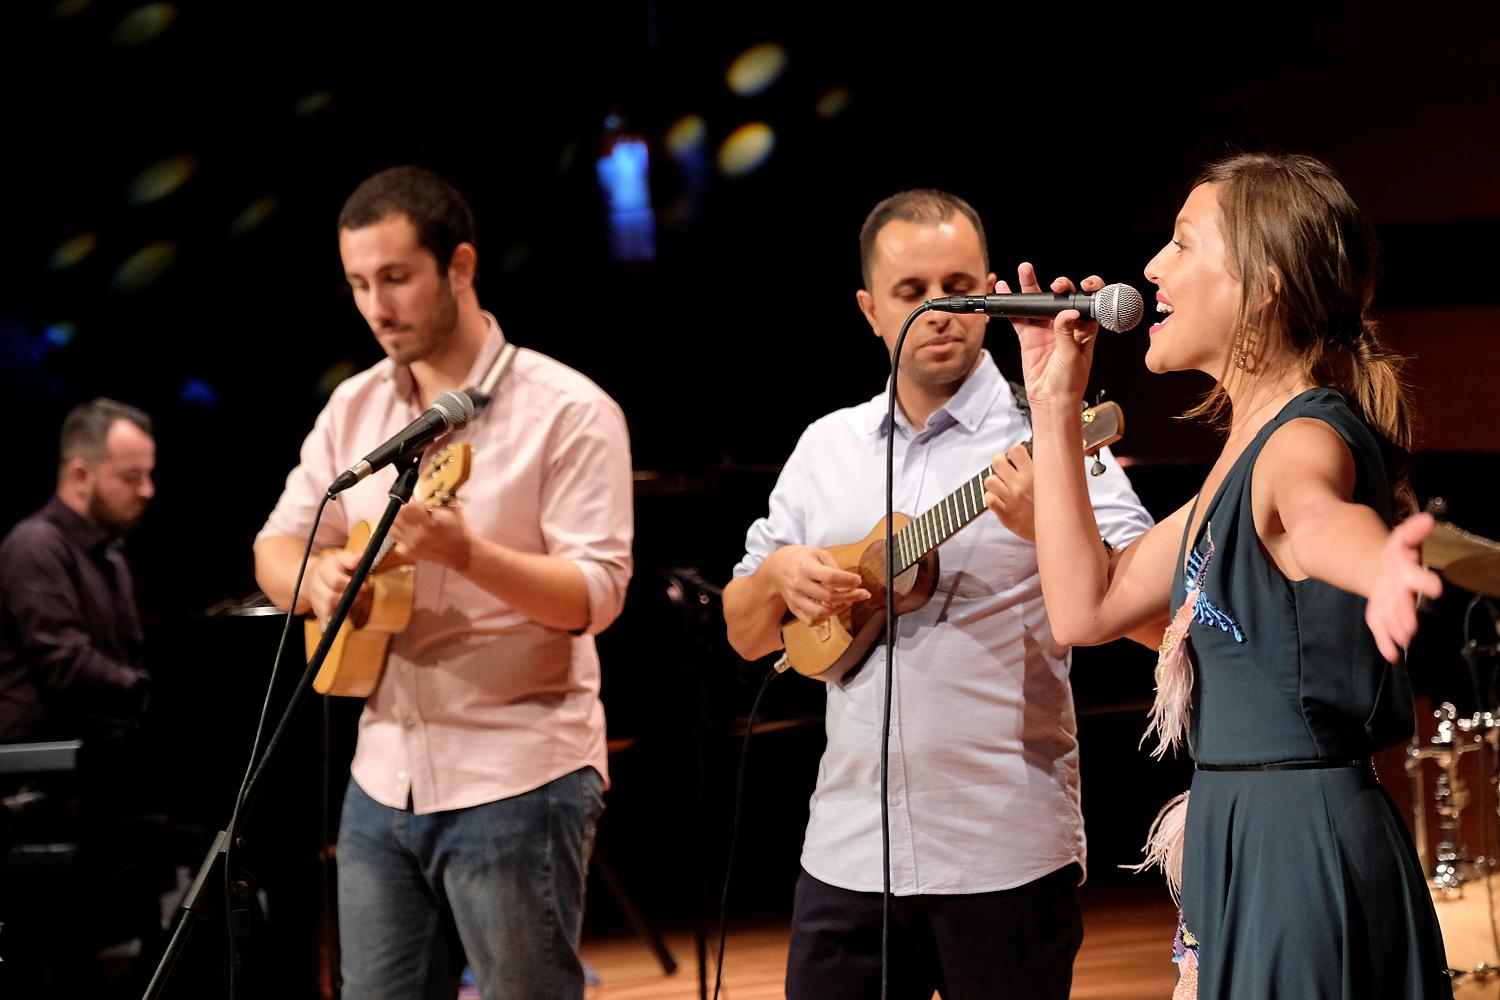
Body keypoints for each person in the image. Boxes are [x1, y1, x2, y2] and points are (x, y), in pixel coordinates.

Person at [995, 152, 1451, 998]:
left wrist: (1378, 560)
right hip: (1249, 838)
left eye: (1182, 244)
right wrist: (1055, 400)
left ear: (1266, 283)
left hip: (1298, 850)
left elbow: (1318, 519)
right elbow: (1085, 607)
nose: (1153, 269)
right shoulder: (1233, 468)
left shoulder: (1299, 438)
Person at [722, 189, 1154, 999]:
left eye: (960, 287)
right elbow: (746, 633)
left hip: (1004, 855)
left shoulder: (1052, 431)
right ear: (869, 310)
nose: (940, 311)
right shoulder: (826, 447)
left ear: (991, 290)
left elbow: (1156, 618)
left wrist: (1049, 532)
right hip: (845, 854)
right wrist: (779, 576)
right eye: (912, 293)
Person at [254, 166, 633, 1000]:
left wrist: (467, 555)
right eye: (358, 283)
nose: (376, 307)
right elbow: (275, 545)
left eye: (396, 278)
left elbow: (597, 595)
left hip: (518, 773)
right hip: (381, 773)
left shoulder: (567, 409)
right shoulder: (355, 408)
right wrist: (319, 580)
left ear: (459, 266)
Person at [0, 397, 155, 743]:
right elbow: (64, 661)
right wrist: (147, 691)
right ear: (81, 475)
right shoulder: (35, 545)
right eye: (133, 477)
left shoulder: (110, 556)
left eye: (148, 475)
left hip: (95, 757)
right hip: (38, 774)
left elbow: (126, 655)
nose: (147, 490)